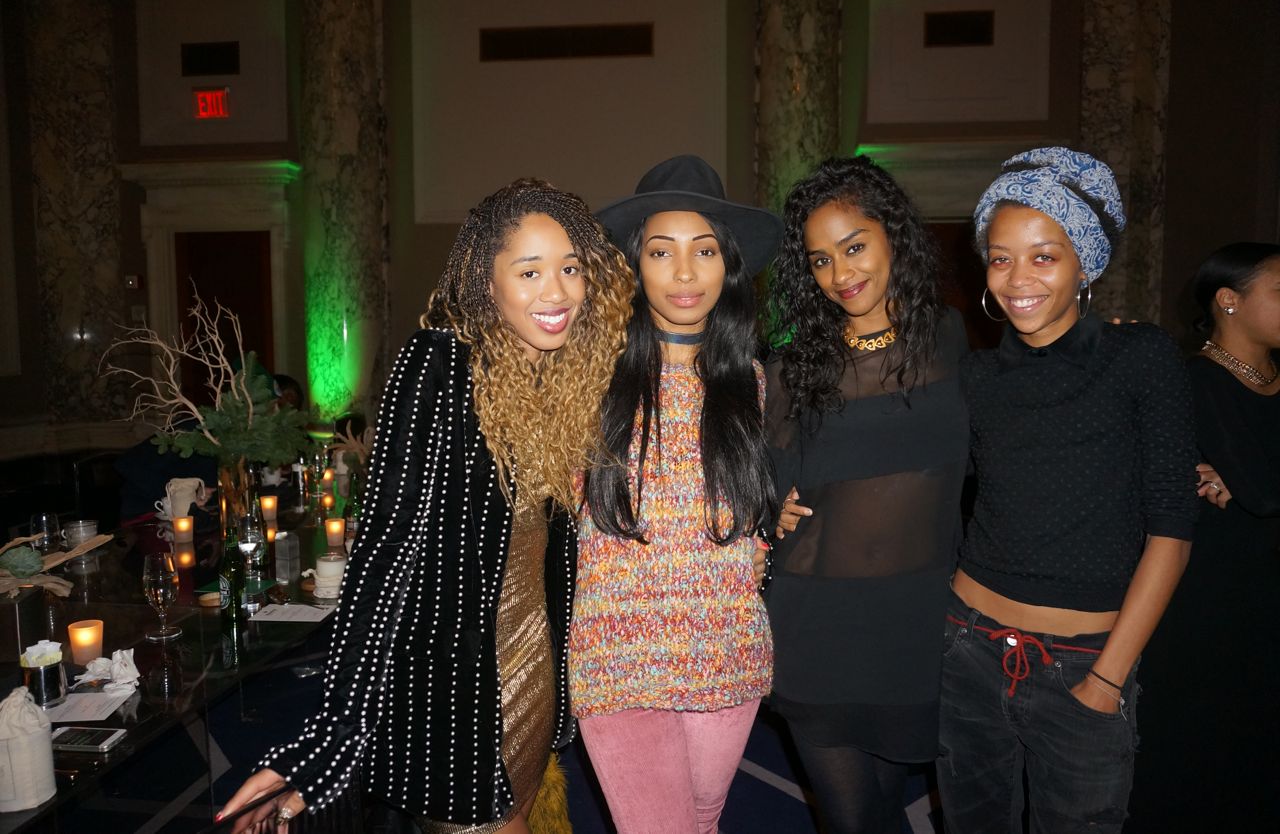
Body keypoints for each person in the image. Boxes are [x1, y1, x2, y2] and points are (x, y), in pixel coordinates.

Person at [219, 179, 634, 832]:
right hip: (458, 693)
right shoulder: (439, 364)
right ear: (486, 281)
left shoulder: (558, 377)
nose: (557, 292)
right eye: (529, 271)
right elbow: (384, 554)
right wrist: (329, 742)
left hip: (534, 666)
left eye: (571, 268)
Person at [936, 147, 1199, 833]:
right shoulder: (977, 378)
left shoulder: (1139, 356)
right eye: (1000, 258)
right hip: (966, 647)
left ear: (1085, 264)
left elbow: (1172, 532)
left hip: (1084, 661)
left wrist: (1108, 679)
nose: (1018, 278)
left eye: (1044, 256)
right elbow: (924, 475)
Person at [571, 155, 778, 834]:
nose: (685, 273)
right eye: (662, 251)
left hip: (727, 652)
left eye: (705, 251)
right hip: (618, 660)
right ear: (635, 264)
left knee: (702, 821)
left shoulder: (753, 383)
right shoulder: (587, 378)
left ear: (729, 266)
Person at [764, 155, 969, 833]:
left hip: (918, 622)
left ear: (893, 236)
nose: (841, 273)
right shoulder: (792, 369)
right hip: (818, 621)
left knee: (887, 809)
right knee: (852, 821)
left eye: (854, 247)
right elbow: (755, 473)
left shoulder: (949, 338)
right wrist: (768, 507)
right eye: (821, 260)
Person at [1129, 242, 1280, 829]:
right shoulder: (1196, 379)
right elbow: (1263, 492)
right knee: (1199, 760)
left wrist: (1240, 478)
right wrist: (1242, 481)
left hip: (1264, 600)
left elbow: (1256, 486)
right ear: (1228, 300)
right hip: (1211, 606)